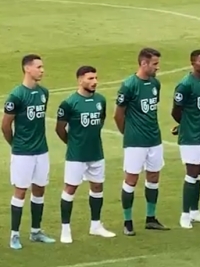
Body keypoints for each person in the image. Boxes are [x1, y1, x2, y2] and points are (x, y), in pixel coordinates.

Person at [56, 65, 115, 243]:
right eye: (90, 78)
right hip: (76, 155)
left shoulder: (101, 100)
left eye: (96, 78)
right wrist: (73, 143)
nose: (94, 82)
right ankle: (65, 229)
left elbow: (100, 121)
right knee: (70, 188)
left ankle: (95, 225)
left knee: (97, 187)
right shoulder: (69, 103)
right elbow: (59, 129)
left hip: (96, 152)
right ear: (80, 80)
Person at [115, 48, 168, 235]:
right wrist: (128, 133)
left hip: (154, 139)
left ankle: (150, 218)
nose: (157, 67)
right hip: (135, 142)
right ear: (143, 64)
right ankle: (127, 221)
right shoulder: (129, 85)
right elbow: (118, 114)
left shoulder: (155, 84)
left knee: (154, 177)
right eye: (154, 64)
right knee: (131, 179)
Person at [3, 54, 54, 249]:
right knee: (20, 191)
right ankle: (14, 235)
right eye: (39, 67)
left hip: (41, 150)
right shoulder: (16, 95)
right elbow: (6, 125)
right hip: (23, 152)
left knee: (40, 189)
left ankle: (36, 231)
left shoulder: (44, 93)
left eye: (42, 67)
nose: (42, 70)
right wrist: (15, 144)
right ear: (27, 69)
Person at [172, 50, 200, 229]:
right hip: (190, 138)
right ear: (193, 63)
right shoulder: (185, 85)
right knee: (191, 174)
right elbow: (176, 111)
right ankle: (184, 214)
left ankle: (195, 212)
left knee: (198, 174)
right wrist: (185, 125)